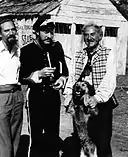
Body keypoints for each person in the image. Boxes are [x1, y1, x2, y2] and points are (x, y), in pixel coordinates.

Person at [64, 22, 118, 157]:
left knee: (102, 141)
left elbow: (109, 79)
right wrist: (68, 95)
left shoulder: (108, 54)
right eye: (86, 35)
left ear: (100, 36)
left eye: (93, 34)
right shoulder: (79, 55)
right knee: (82, 138)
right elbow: (72, 76)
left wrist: (97, 98)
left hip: (101, 103)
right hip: (80, 103)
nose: (89, 38)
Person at [19, 16, 69, 157]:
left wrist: (61, 80)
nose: (49, 35)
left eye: (51, 31)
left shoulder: (57, 47)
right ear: (36, 32)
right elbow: (21, 77)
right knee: (36, 136)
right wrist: (37, 74)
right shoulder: (27, 50)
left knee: (53, 134)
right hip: (36, 96)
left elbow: (64, 71)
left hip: (53, 96)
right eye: (45, 31)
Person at [0, 18, 24, 157]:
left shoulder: (17, 50)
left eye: (13, 29)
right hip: (0, 96)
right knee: (1, 141)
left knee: (15, 138)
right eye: (7, 30)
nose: (11, 33)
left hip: (17, 96)